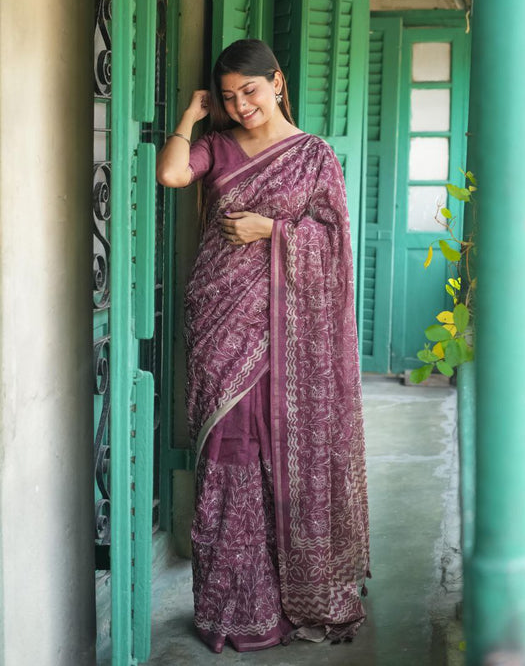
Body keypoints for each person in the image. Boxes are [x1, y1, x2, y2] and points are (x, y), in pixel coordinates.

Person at [156, 38, 370, 654]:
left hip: (287, 336)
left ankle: (292, 594)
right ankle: (234, 608)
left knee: (282, 447)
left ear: (277, 81)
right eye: (228, 97)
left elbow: (334, 246)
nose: (242, 105)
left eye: (249, 90)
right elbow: (172, 173)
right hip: (222, 323)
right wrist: (192, 116)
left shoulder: (314, 156)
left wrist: (272, 229)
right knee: (228, 453)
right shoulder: (216, 146)